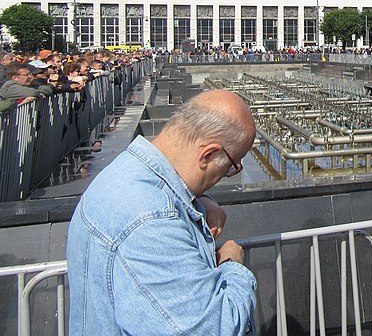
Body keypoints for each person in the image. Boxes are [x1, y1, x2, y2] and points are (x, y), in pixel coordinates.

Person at [67, 89, 258, 335]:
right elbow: (215, 328)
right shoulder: (151, 220)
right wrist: (232, 264)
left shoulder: (126, 173)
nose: (228, 174)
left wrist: (198, 199)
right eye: (232, 166)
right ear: (208, 154)